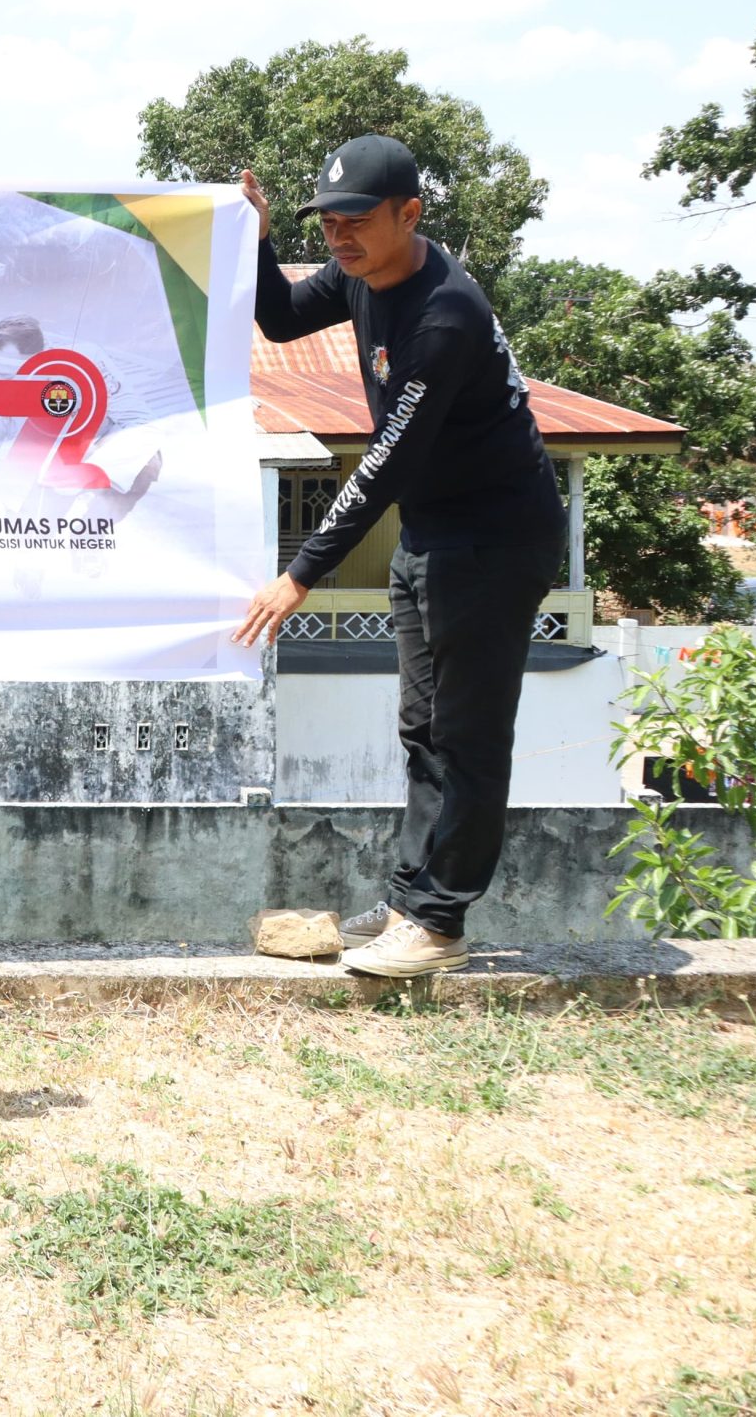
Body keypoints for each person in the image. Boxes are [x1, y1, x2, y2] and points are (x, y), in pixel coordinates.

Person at [234, 136, 566, 978]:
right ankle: (413, 897)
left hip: (494, 537)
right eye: (330, 222)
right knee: (423, 729)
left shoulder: (441, 316)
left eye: (356, 222)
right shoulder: (360, 273)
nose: (340, 238)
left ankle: (440, 924)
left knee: (468, 735)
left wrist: (300, 571)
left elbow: (386, 461)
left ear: (409, 215)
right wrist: (261, 238)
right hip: (431, 532)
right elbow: (279, 319)